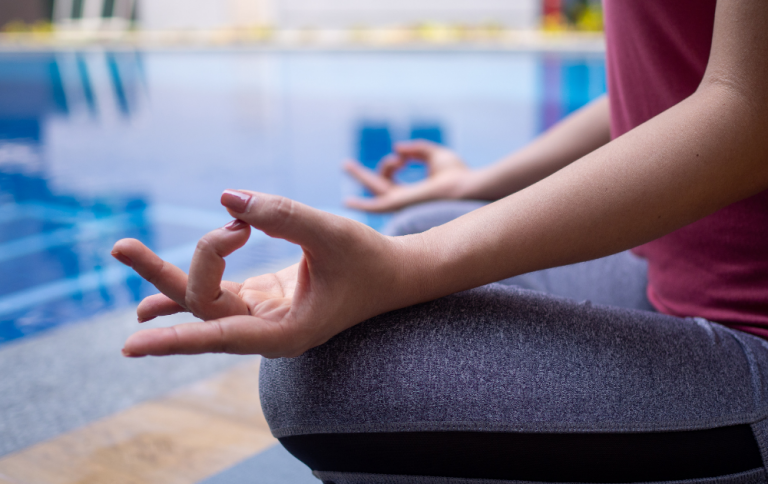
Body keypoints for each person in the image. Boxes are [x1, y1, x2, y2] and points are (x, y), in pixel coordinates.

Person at [111, 0, 768, 481]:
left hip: (754, 328)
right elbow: (677, 84)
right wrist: (482, 184)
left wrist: (405, 268)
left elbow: (747, 112)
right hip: (666, 278)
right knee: (418, 233)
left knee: (321, 386)